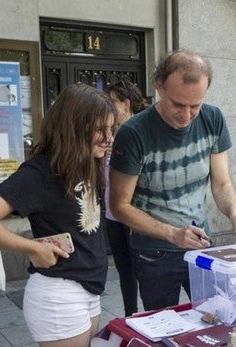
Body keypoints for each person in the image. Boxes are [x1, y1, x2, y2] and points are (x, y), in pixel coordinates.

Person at [0, 83, 116, 347]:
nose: (109, 138)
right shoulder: (39, 173)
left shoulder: (87, 163)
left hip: (89, 290)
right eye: (100, 130)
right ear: (74, 128)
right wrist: (31, 247)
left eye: (112, 129)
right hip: (59, 295)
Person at [109, 50, 236, 311]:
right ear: (159, 86)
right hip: (154, 252)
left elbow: (221, 184)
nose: (187, 115)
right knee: (165, 325)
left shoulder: (213, 118)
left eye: (195, 106)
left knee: (218, 314)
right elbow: (119, 205)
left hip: (201, 243)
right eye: (178, 104)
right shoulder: (134, 133)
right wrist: (172, 234)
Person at [103, 79, 148, 317]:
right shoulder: (109, 134)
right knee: (124, 270)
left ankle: (154, 315)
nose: (108, 108)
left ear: (126, 103)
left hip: (136, 215)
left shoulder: (139, 134)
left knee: (144, 269)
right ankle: (130, 315)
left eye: (113, 102)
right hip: (112, 214)